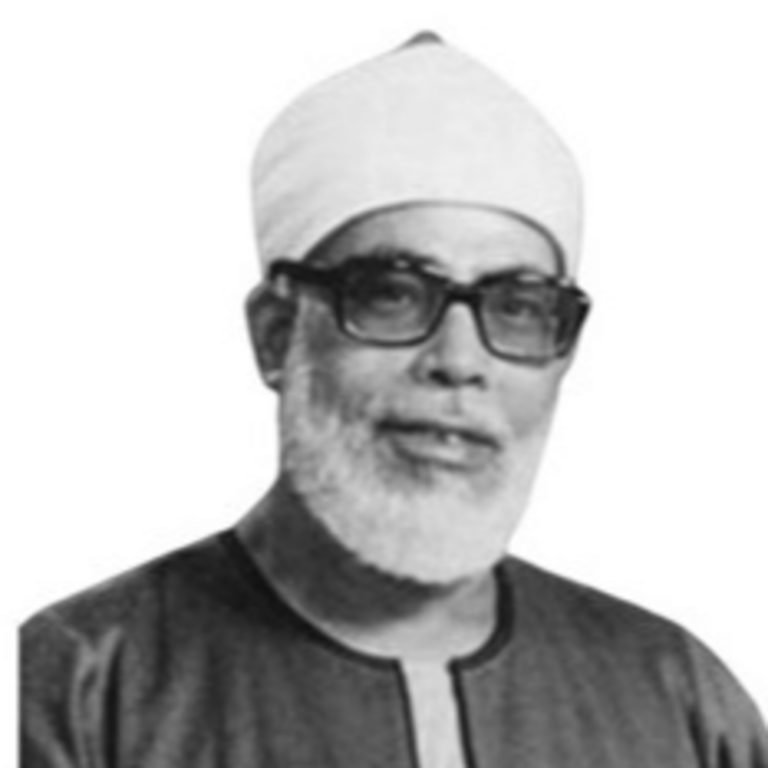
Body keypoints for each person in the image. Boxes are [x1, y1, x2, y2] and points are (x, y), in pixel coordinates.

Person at [21, 32, 768, 768]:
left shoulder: (678, 700)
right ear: (277, 334)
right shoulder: (77, 687)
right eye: (392, 294)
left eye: (516, 307)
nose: (458, 362)